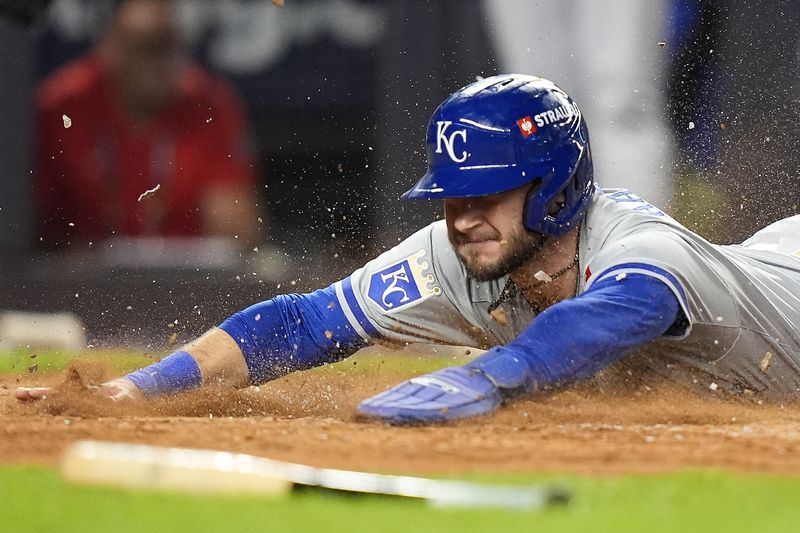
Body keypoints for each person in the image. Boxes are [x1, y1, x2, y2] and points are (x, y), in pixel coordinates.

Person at [18, 74, 800, 424]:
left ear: (555, 187)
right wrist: (140, 388)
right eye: (452, 196)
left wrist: (497, 374)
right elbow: (303, 323)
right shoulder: (466, 251)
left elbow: (610, 317)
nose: (461, 218)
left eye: (486, 194)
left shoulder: (644, 251)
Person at [35, 0, 260, 247]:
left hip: (184, 277)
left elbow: (238, 232)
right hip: (82, 276)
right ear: (110, 46)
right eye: (146, 46)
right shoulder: (63, 106)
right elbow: (33, 222)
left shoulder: (210, 106)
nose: (160, 61)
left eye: (169, 44)